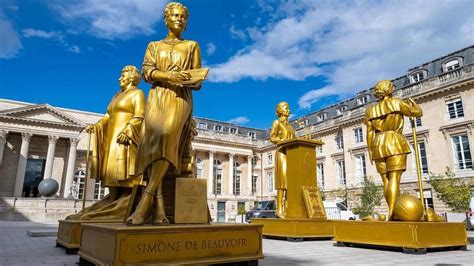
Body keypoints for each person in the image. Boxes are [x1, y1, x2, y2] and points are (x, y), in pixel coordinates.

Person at [126, 2, 204, 225]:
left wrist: (184, 78)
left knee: (166, 137)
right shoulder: (153, 45)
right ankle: (159, 209)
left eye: (183, 17)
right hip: (157, 97)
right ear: (166, 19)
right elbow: (147, 71)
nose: (179, 19)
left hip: (180, 99)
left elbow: (197, 81)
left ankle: (145, 202)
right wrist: (168, 77)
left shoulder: (192, 46)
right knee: (152, 146)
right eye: (175, 16)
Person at [66, 65, 145, 220]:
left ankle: (122, 206)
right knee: (111, 172)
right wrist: (96, 126)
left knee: (124, 172)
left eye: (123, 75)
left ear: (131, 77)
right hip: (112, 138)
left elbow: (140, 115)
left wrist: (129, 129)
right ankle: (110, 203)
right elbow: (107, 117)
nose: (119, 78)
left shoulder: (137, 93)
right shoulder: (117, 96)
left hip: (125, 139)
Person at [365, 80, 422, 221]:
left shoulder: (370, 110)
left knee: (386, 181)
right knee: (394, 178)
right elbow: (417, 113)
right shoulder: (397, 103)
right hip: (394, 140)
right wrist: (415, 105)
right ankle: (392, 212)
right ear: (390, 90)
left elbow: (369, 132)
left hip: (378, 143)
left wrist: (370, 149)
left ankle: (392, 211)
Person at [269, 101, 296, 218]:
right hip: (282, 153)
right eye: (285, 107)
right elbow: (272, 137)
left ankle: (289, 207)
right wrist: (280, 140)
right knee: (282, 181)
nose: (288, 109)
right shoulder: (277, 122)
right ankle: (279, 208)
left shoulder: (290, 126)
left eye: (288, 107)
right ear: (279, 110)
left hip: (292, 154)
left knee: (290, 182)